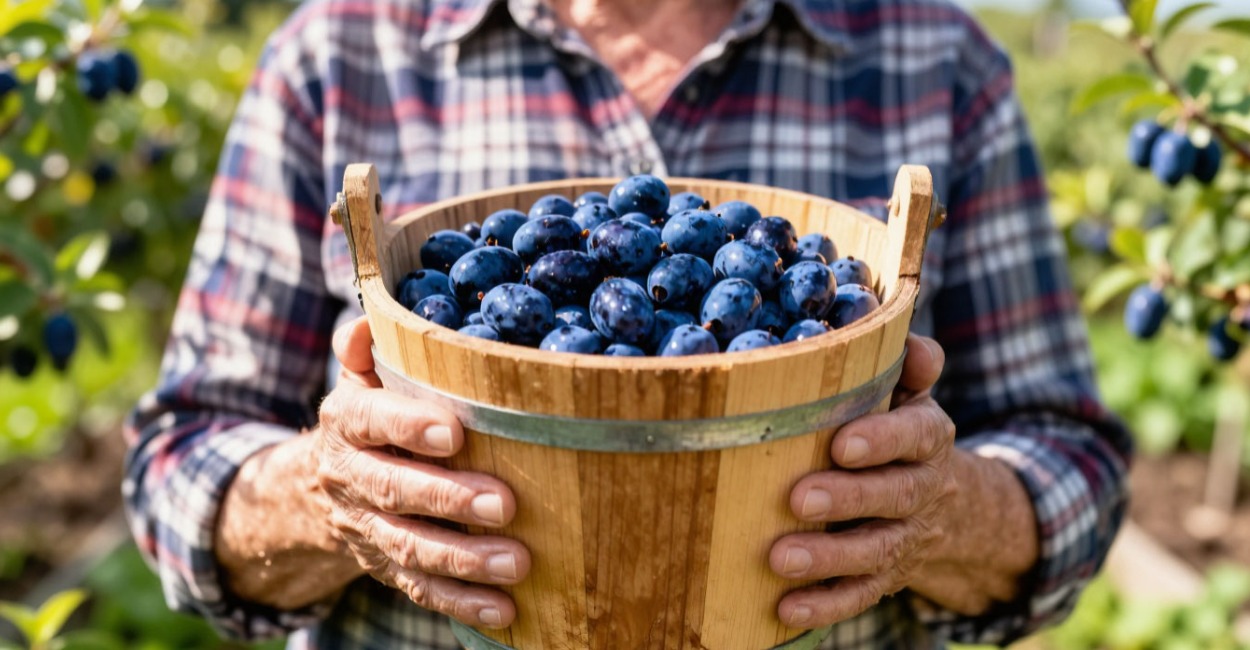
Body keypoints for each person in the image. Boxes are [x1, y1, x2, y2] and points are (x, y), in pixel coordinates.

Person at [123, 0, 1133, 647]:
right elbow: (174, 465)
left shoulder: (938, 59)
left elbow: (1072, 459)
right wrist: (323, 494)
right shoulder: (336, 54)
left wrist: (949, 510)